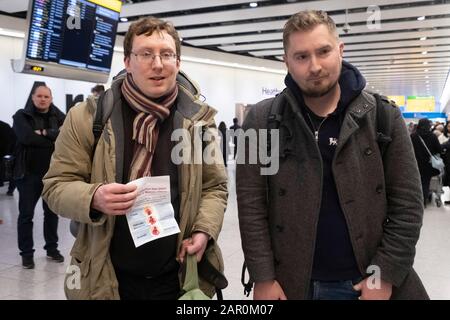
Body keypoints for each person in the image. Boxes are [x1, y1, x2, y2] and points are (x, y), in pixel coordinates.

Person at [236, 10, 428, 300]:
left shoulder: (383, 117)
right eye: (301, 57)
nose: (314, 66)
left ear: (340, 50)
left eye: (323, 51)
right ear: (286, 61)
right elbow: (252, 206)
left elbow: (408, 204)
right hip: (291, 284)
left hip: (365, 280)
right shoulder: (263, 120)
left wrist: (384, 274)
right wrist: (262, 277)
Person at [42, 17, 227, 300]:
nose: (157, 63)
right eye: (145, 54)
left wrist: (204, 231)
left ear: (177, 63)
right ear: (127, 61)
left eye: (167, 54)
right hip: (108, 277)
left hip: (178, 278)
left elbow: (214, 187)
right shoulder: (88, 118)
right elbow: (55, 187)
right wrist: (93, 197)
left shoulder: (198, 122)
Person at [12, 85, 66, 269]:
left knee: (52, 214)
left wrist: (43, 133)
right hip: (27, 175)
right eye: (39, 96)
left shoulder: (59, 116)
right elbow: (26, 138)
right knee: (26, 216)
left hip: (52, 175)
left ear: (51, 98)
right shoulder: (21, 116)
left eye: (46, 96)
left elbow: (65, 137)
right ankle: (27, 254)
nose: (43, 99)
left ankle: (52, 249)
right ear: (33, 97)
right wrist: (51, 139)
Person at [411, 118, 442, 207]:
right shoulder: (432, 136)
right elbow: (439, 149)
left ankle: (416, 201)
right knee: (425, 182)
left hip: (415, 164)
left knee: (416, 183)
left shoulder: (413, 136)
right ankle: (423, 202)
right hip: (428, 164)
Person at [0, 120, 17, 194]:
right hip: (9, 153)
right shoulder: (6, 126)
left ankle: (10, 189)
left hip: (8, 153)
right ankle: (10, 190)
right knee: (12, 171)